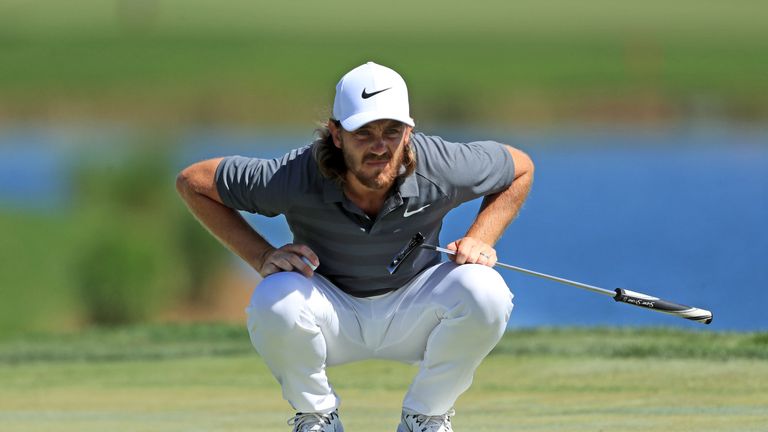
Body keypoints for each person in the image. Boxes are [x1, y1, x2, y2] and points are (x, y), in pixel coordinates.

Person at [176, 61, 534, 432]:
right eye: (363, 132)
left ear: (409, 132)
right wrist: (261, 255)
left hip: (416, 313)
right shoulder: (294, 176)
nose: (380, 146)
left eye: (392, 131)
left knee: (485, 290)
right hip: (331, 314)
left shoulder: (442, 165)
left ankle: (424, 416)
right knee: (275, 297)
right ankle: (318, 418)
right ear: (336, 133)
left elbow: (520, 168)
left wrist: (481, 237)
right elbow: (193, 182)